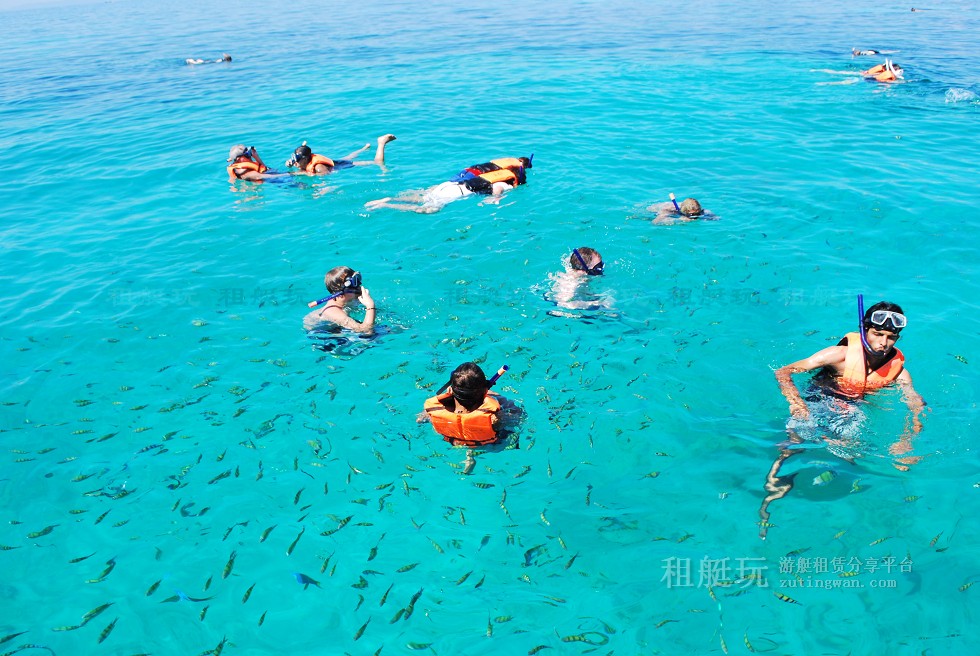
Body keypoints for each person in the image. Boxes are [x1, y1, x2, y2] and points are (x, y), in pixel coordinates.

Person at [759, 301, 927, 538]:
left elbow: (916, 406)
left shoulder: (898, 371)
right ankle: (774, 485)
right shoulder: (839, 355)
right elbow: (784, 371)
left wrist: (906, 441)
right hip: (817, 402)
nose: (883, 342)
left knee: (850, 454)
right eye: (877, 334)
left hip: (853, 411)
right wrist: (796, 404)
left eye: (890, 337)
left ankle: (836, 505)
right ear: (864, 330)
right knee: (794, 442)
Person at [365, 156, 532, 214]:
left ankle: (389, 198)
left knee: (420, 198)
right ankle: (386, 204)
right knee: (429, 210)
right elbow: (498, 188)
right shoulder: (508, 182)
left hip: (448, 186)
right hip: (454, 194)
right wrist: (496, 199)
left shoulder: (492, 175)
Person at [420, 362, 519, 448]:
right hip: (488, 446)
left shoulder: (433, 411)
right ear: (485, 391)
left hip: (453, 442)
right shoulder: (494, 418)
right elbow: (518, 418)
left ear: (450, 390)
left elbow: (419, 420)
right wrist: (497, 398)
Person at [303, 267, 376, 333]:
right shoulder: (334, 313)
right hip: (321, 333)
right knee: (371, 337)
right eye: (354, 283)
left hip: (333, 327)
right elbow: (365, 330)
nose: (358, 287)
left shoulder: (342, 302)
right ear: (340, 293)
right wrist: (370, 306)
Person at [286, 134, 396, 175]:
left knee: (377, 163)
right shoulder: (306, 162)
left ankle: (381, 143)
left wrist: (308, 175)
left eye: (297, 160)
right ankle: (364, 148)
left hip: (341, 166)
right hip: (335, 162)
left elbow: (326, 177)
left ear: (305, 160)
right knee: (348, 157)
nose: (295, 162)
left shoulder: (319, 167)